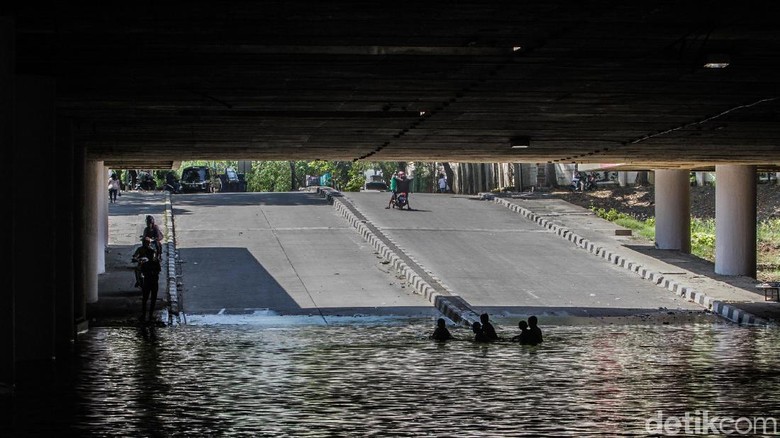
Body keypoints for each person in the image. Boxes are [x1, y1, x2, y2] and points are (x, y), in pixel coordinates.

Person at [137, 239, 162, 323]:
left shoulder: (147, 263)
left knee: (146, 299)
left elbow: (143, 271)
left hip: (149, 282)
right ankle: (148, 315)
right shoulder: (155, 262)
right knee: (150, 299)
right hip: (153, 282)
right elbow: (158, 270)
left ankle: (145, 315)